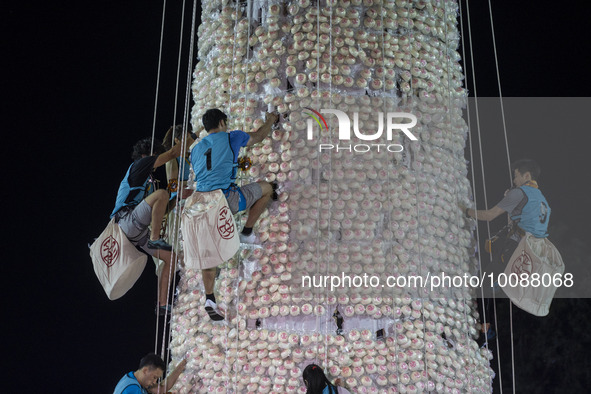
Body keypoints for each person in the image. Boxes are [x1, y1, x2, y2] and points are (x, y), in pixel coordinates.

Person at [190, 108, 279, 320]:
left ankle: (210, 298)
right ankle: (247, 231)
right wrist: (270, 121)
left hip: (201, 204)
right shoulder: (232, 137)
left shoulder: (195, 149)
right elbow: (259, 137)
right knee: (266, 188)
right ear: (222, 122)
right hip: (225, 199)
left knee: (208, 255)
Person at [111, 137, 184, 314]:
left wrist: (181, 196)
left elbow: (161, 209)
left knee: (171, 258)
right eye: (156, 155)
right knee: (161, 194)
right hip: (126, 221)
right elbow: (173, 153)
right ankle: (155, 239)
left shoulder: (147, 180)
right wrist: (193, 137)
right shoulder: (140, 165)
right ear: (145, 155)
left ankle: (161, 304)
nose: (157, 160)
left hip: (136, 231)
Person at [465, 158, 550, 260]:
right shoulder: (542, 200)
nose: (514, 181)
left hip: (517, 249)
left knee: (490, 275)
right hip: (537, 255)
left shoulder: (519, 192)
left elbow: (489, 215)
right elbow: (515, 223)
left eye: (516, 176)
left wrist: (466, 211)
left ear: (527, 175)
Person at [113, 353, 186, 394]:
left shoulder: (131, 378)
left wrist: (180, 368)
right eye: (154, 377)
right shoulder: (132, 389)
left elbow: (161, 388)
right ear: (145, 370)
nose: (155, 382)